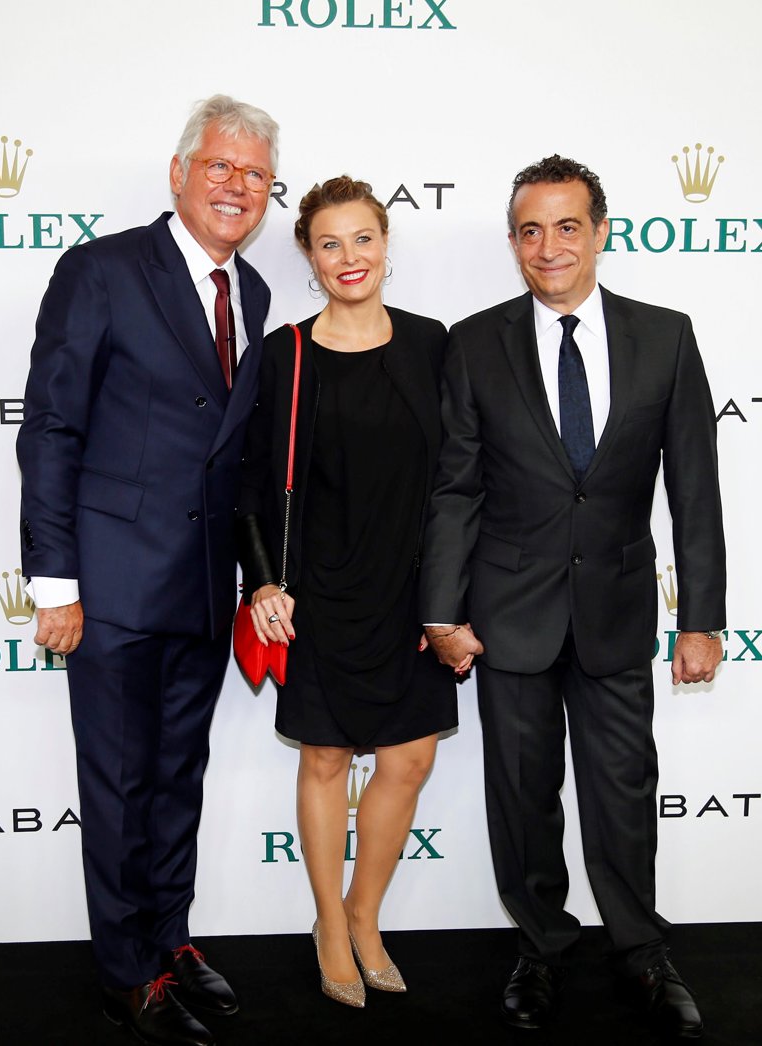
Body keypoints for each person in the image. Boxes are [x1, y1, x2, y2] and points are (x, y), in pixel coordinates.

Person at [420, 155, 725, 1039]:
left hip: (619, 611)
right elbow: (456, 489)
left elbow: (695, 489)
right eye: (530, 230)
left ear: (599, 232)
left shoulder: (665, 336)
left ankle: (642, 951)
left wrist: (702, 618)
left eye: (565, 226)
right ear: (513, 242)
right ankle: (542, 948)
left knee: (623, 791)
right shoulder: (475, 343)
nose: (548, 246)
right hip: (507, 613)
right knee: (523, 796)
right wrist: (441, 612)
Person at [16, 95, 279, 1046]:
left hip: (202, 589)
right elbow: (52, 426)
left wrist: (256, 575)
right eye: (220, 166)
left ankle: (169, 939)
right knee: (121, 788)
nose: (237, 186)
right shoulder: (102, 270)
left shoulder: (252, 292)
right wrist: (56, 582)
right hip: (113, 590)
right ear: (179, 173)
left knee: (177, 780)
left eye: (256, 175)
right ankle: (124, 974)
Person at [237, 176, 457, 1008]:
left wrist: (451, 596)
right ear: (309, 255)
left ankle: (366, 915)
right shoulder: (284, 355)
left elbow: (462, 477)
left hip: (413, 589)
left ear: (386, 243)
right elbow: (247, 482)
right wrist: (263, 578)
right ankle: (329, 923)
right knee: (326, 757)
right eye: (330, 243)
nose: (349, 257)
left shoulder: (433, 344)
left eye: (362, 238)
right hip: (318, 594)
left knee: (410, 758)